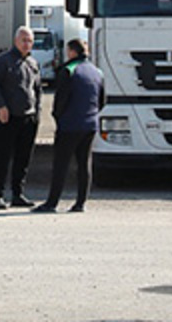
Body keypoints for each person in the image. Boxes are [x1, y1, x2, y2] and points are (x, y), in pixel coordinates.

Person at [32, 38, 105, 213]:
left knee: (61, 165)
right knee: (84, 163)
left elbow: (60, 101)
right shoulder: (97, 72)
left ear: (72, 51)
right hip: (90, 125)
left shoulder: (69, 70)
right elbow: (102, 100)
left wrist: (58, 117)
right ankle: (80, 203)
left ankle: (52, 203)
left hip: (70, 125)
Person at [0, 26, 42, 209]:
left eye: (30, 41)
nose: (27, 44)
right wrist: (1, 106)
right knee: (3, 157)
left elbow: (38, 89)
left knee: (23, 158)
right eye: (24, 40)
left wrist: (38, 112)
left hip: (28, 117)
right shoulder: (4, 60)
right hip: (9, 117)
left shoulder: (33, 63)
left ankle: (18, 194)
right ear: (15, 41)